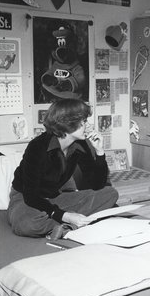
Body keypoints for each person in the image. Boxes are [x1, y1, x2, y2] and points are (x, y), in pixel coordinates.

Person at [7, 98, 118, 238]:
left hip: (54, 198)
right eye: (84, 122)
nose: (88, 126)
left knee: (110, 194)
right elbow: (31, 196)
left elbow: (97, 185)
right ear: (68, 124)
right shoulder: (38, 147)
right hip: (26, 198)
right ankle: (66, 225)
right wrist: (65, 216)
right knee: (27, 224)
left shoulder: (81, 145)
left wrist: (100, 153)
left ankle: (62, 224)